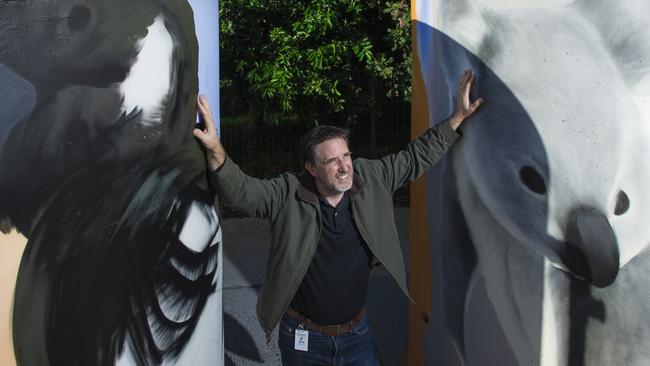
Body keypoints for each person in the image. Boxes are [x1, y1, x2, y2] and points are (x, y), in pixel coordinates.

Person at [193, 70, 484, 365]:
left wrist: (457, 118)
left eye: (346, 156)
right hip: (303, 339)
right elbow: (242, 192)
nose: (344, 166)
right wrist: (216, 149)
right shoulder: (287, 193)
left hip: (357, 334)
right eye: (332, 161)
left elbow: (414, 157)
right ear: (312, 168)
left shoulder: (372, 178)